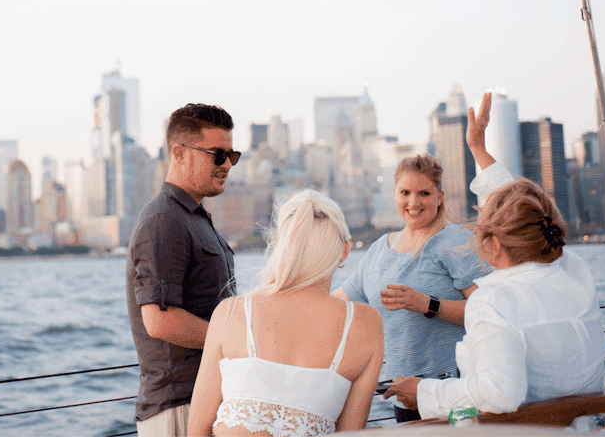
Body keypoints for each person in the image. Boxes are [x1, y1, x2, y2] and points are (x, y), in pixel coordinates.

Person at [383, 93, 605, 418]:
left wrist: (423, 391)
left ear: (496, 247)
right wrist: (477, 148)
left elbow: (498, 394)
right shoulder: (573, 271)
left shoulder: (493, 302)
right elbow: (522, 204)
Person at [331, 95, 496, 422]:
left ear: (440, 197)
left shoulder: (455, 242)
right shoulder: (379, 249)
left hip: (454, 389)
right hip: (403, 393)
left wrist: (426, 303)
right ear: (394, 194)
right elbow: (339, 302)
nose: (413, 202)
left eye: (423, 193)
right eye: (405, 192)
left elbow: (490, 313)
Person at [187, 190, 384, 436]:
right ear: (344, 250)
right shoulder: (365, 324)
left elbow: (196, 431)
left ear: (282, 246)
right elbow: (350, 432)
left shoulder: (231, 312)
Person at [126, 103, 240, 437]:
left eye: (232, 156)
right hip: (178, 409)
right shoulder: (164, 221)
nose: (227, 165)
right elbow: (159, 321)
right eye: (217, 155)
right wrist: (239, 339)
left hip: (206, 401)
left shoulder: (194, 219)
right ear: (180, 153)